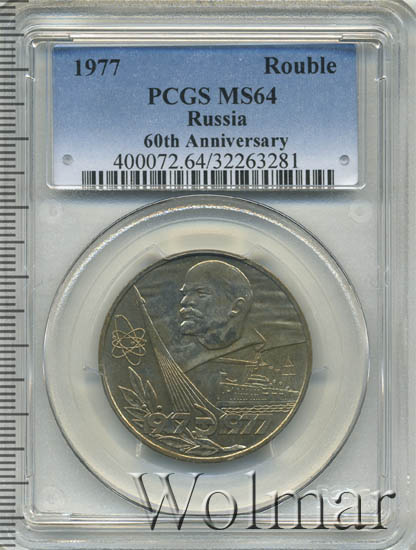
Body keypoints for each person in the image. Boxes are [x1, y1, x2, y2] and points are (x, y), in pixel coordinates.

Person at [179, 260, 254, 350]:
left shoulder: (258, 350)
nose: (184, 301)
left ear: (236, 307)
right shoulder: (179, 350)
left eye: (201, 293)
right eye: (185, 294)